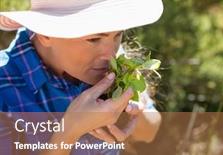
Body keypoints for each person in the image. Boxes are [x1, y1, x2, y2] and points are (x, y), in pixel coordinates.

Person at [0, 0, 163, 155]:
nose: (111, 54)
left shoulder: (113, 62)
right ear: (46, 33)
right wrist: (69, 132)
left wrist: (132, 113)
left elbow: (150, 131)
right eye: (94, 39)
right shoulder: (4, 88)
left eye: (117, 35)